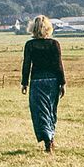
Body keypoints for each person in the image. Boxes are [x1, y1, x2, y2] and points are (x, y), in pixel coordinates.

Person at [21, 15, 65, 153]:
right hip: (53, 81)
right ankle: (50, 137)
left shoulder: (30, 45)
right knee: (51, 110)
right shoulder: (54, 44)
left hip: (37, 82)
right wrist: (63, 83)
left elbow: (27, 65)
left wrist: (24, 83)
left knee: (40, 112)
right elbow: (59, 65)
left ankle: (47, 139)